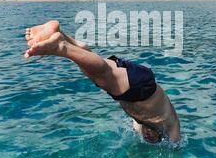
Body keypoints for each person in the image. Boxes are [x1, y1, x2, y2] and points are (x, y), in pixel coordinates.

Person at [25, 21, 181, 145]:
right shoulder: (171, 128)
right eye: (153, 137)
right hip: (141, 88)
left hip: (136, 83)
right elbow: (176, 144)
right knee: (103, 76)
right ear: (162, 136)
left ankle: (59, 34)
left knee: (91, 65)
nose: (147, 135)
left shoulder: (139, 124)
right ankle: (60, 45)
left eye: (146, 137)